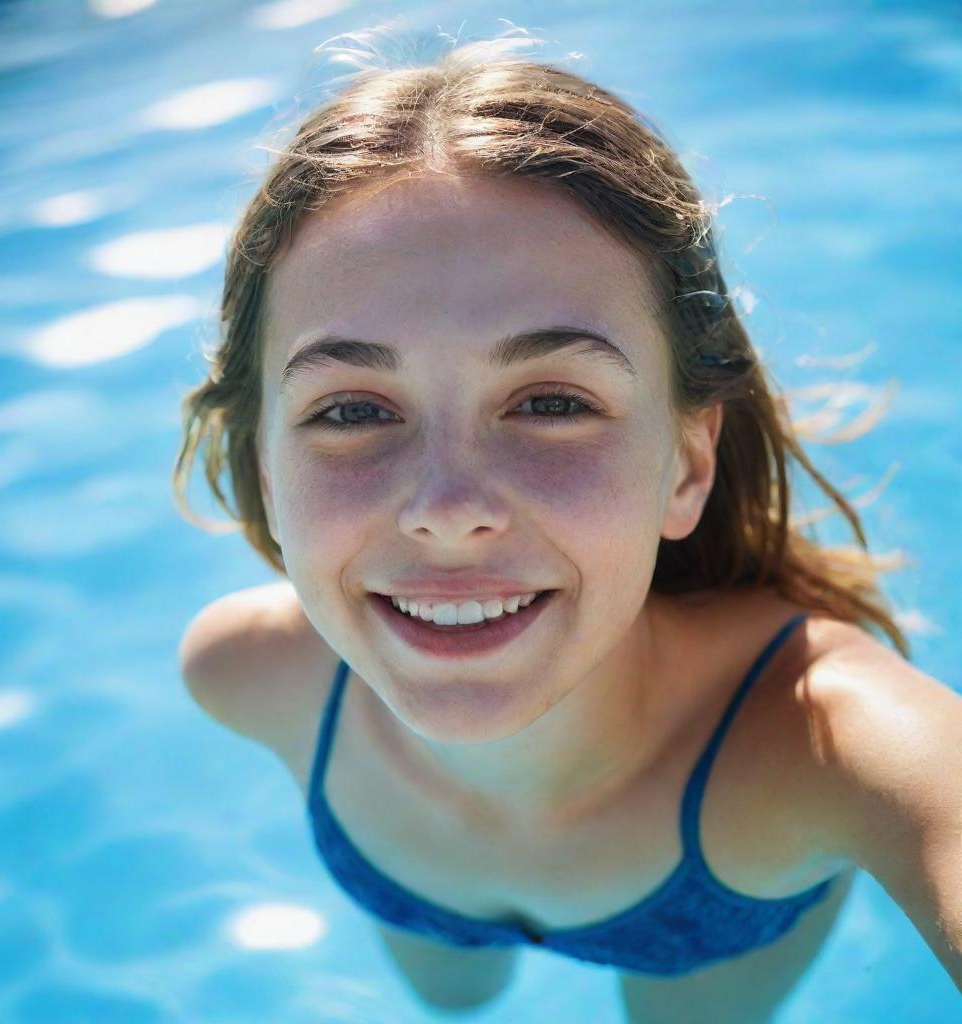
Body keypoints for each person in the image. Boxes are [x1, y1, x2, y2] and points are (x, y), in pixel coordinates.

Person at [172, 33, 962, 1020]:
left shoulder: (826, 747)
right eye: (351, 410)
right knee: (452, 1003)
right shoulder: (247, 674)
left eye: (549, 402)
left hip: (708, 913)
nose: (447, 512)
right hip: (420, 893)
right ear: (259, 468)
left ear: (686, 465)